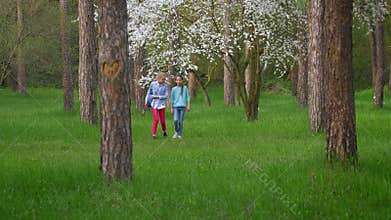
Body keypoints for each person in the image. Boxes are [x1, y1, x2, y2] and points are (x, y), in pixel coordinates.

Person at [145, 72, 168, 139]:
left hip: (161, 104)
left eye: (164, 79)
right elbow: (149, 92)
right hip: (154, 104)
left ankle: (164, 131)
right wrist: (146, 100)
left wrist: (158, 97)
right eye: (162, 79)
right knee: (156, 119)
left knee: (162, 121)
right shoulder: (153, 84)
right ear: (158, 78)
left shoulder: (165, 86)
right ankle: (153, 134)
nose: (163, 81)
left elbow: (166, 96)